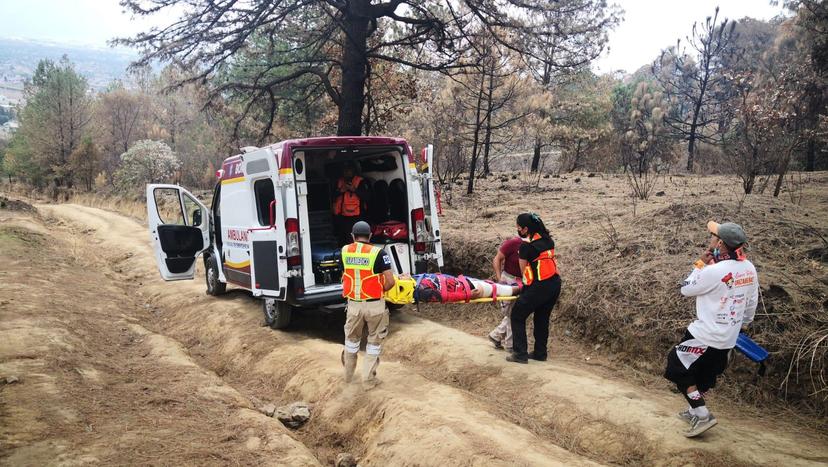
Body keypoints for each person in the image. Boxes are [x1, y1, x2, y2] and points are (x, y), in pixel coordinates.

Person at [664, 221, 758, 438]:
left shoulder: (714, 270)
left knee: (677, 367)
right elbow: (751, 302)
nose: (711, 239)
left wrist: (700, 264)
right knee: (704, 375)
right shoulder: (749, 268)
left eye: (714, 236)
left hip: (704, 335)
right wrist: (741, 325)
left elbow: (685, 289)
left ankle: (702, 414)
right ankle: (693, 410)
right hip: (728, 337)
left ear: (721, 244)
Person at [341, 221, 396, 387]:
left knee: (351, 342)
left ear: (352, 236)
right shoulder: (378, 253)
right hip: (375, 305)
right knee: (373, 343)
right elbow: (390, 281)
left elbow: (346, 273)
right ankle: (368, 381)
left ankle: (348, 378)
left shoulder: (344, 251)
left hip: (354, 305)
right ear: (370, 236)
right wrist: (380, 291)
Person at [507, 213, 562, 364]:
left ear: (525, 229)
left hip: (540, 286)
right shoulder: (549, 241)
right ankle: (540, 353)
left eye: (518, 227)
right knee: (542, 318)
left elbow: (524, 271)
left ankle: (519, 353)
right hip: (555, 284)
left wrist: (523, 290)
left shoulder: (526, 247)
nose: (517, 230)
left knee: (517, 314)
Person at [488, 236, 523, 351]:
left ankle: (496, 336)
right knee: (512, 313)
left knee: (513, 312)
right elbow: (497, 259)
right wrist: (499, 279)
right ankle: (510, 345)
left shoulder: (533, 244)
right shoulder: (513, 243)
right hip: (508, 280)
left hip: (522, 281)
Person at [333, 163, 368, 245]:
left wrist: (354, 190)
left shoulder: (361, 181)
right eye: (345, 171)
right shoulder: (339, 182)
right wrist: (341, 191)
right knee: (343, 240)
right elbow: (331, 196)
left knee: (355, 240)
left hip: (357, 217)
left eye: (349, 170)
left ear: (353, 171)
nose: (346, 172)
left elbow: (367, 197)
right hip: (341, 217)